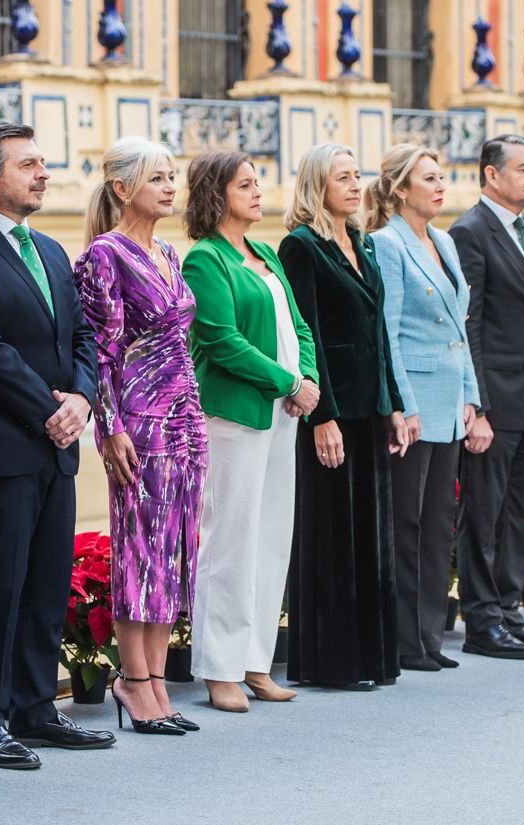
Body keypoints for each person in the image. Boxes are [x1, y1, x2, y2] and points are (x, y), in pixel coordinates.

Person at [0, 122, 113, 770]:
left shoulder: (49, 250)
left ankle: (36, 707)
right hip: (1, 443)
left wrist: (81, 397)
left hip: (57, 442)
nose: (43, 173)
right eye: (28, 164)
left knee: (48, 580)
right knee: (0, 586)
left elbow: (82, 337)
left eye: (43, 162)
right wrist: (47, 408)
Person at [75, 136, 209, 735]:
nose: (169, 186)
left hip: (184, 416)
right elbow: (100, 352)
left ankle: (157, 679)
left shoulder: (171, 255)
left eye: (172, 176)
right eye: (157, 177)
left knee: (176, 548)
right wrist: (110, 427)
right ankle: (133, 681)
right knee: (141, 551)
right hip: (138, 419)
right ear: (123, 187)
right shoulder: (105, 255)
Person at [181, 151, 319, 713]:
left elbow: (299, 324)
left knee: (269, 538)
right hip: (235, 416)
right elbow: (220, 340)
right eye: (246, 184)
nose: (258, 192)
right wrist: (289, 381)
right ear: (217, 195)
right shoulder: (204, 260)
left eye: (258, 182)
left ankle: (257, 661)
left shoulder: (264, 253)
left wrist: (307, 377)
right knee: (229, 540)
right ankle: (219, 669)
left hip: (283, 414)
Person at [279, 143, 413, 690]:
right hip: (332, 412)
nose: (356, 185)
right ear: (318, 184)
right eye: (343, 177)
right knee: (331, 533)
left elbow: (379, 330)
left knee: (371, 533)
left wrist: (396, 404)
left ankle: (371, 656)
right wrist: (323, 417)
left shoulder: (361, 241)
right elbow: (305, 334)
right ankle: (330, 661)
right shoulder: (300, 246)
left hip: (371, 407)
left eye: (358, 176)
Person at [448, 135, 524, 659]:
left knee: (517, 512)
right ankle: (481, 620)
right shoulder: (470, 232)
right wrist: (479, 407)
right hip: (495, 402)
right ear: (492, 175)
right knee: (485, 513)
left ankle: (510, 607)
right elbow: (469, 323)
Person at [366, 144, 480, 672]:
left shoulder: (445, 241)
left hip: (450, 400)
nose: (441, 187)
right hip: (413, 403)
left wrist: (472, 399)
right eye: (429, 178)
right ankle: (405, 639)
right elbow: (385, 331)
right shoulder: (386, 244)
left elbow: (461, 329)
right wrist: (402, 404)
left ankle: (430, 634)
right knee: (407, 524)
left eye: (442, 177)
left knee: (439, 524)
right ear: (399, 188)